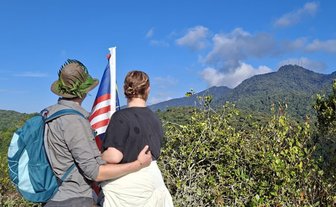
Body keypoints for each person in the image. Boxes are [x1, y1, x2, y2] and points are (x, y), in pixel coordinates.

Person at [43, 59, 152, 207]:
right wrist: (139, 164)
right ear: (85, 90)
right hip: (75, 199)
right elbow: (95, 172)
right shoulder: (73, 121)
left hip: (55, 196)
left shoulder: (49, 114)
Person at [101, 70, 174, 206]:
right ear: (148, 89)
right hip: (154, 180)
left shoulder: (120, 117)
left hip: (129, 188)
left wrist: (97, 157)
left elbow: (114, 157)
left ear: (125, 89)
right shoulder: (155, 118)